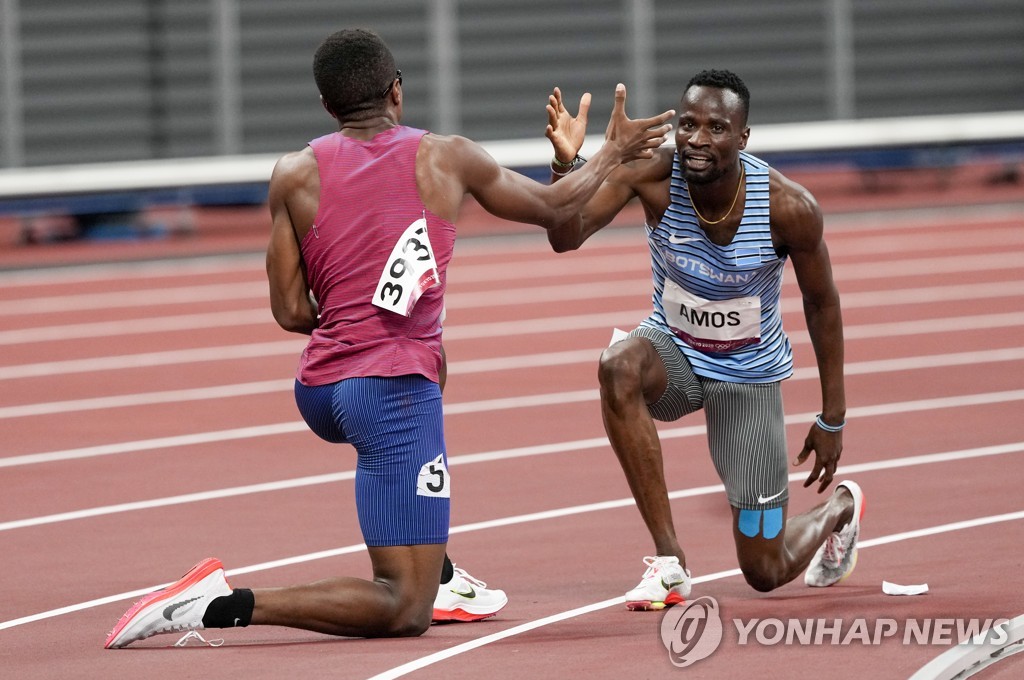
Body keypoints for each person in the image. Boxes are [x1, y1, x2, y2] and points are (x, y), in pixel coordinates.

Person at [104, 28, 673, 648]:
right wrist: (608, 155)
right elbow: (557, 209)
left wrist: (355, 317)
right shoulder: (445, 157)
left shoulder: (294, 173)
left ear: (327, 107)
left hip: (321, 390)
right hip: (388, 395)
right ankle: (215, 603)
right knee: (403, 607)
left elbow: (291, 311)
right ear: (397, 92)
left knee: (432, 358)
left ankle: (443, 568)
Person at [542, 69, 865, 609]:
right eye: (687, 124)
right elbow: (565, 237)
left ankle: (841, 510)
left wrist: (833, 417)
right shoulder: (651, 174)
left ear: (742, 137)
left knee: (765, 569)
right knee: (617, 364)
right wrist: (569, 164)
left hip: (748, 375)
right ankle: (670, 563)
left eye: (716, 127)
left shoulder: (789, 207)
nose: (696, 138)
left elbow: (822, 304)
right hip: (674, 351)